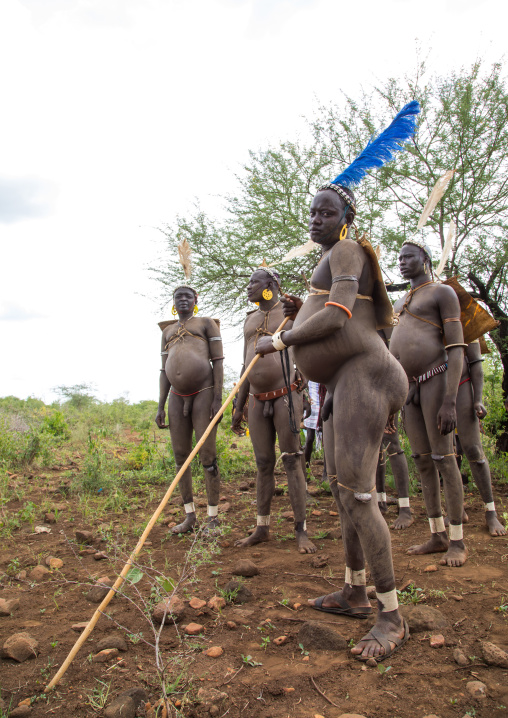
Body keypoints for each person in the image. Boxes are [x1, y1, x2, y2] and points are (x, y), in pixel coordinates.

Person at [257, 101, 420, 662]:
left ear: (344, 219)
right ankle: (353, 590)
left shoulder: (349, 248)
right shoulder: (333, 258)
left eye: (326, 213)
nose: (316, 221)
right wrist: (303, 313)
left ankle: (391, 616)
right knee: (342, 489)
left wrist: (281, 339)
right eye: (312, 213)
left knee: (358, 492)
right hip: (342, 382)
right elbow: (330, 308)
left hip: (366, 373)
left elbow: (342, 315)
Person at [390, 242, 467, 567]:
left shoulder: (442, 293)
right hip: (410, 389)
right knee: (422, 460)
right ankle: (436, 534)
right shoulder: (399, 301)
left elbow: (457, 347)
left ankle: (458, 541)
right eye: (400, 257)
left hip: (437, 380)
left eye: (408, 256)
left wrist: (450, 400)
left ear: (425, 259)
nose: (402, 261)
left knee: (444, 459)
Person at [231, 268, 316, 554]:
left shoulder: (291, 312)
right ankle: (262, 527)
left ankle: (301, 530)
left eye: (254, 282)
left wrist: (302, 388)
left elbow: (306, 346)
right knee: (263, 463)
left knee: (292, 460)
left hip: (285, 396)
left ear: (271, 285)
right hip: (255, 398)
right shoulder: (250, 319)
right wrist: (238, 404)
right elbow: (246, 364)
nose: (249, 287)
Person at [155, 286, 224, 533]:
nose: (182, 300)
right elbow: (164, 371)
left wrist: (218, 398)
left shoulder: (206, 324)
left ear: (196, 300)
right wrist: (160, 405)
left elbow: (217, 362)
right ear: (173, 302)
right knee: (180, 457)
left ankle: (213, 518)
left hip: (204, 394)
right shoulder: (167, 331)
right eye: (178, 297)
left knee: (207, 455)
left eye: (187, 296)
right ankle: (189, 517)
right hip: (175, 396)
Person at [455, 341, 506, 536]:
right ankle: (457, 509)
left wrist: (478, 399)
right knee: (450, 454)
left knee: (474, 451)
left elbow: (475, 362)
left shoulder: (465, 318)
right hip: (437, 393)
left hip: (463, 389)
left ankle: (491, 512)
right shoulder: (429, 321)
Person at [375, 328, 413, 529]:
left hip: (387, 391)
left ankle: (405, 508)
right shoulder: (358, 319)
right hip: (366, 390)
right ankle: (379, 501)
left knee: (393, 445)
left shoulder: (387, 324)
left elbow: (396, 363)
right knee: (374, 448)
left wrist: (393, 404)